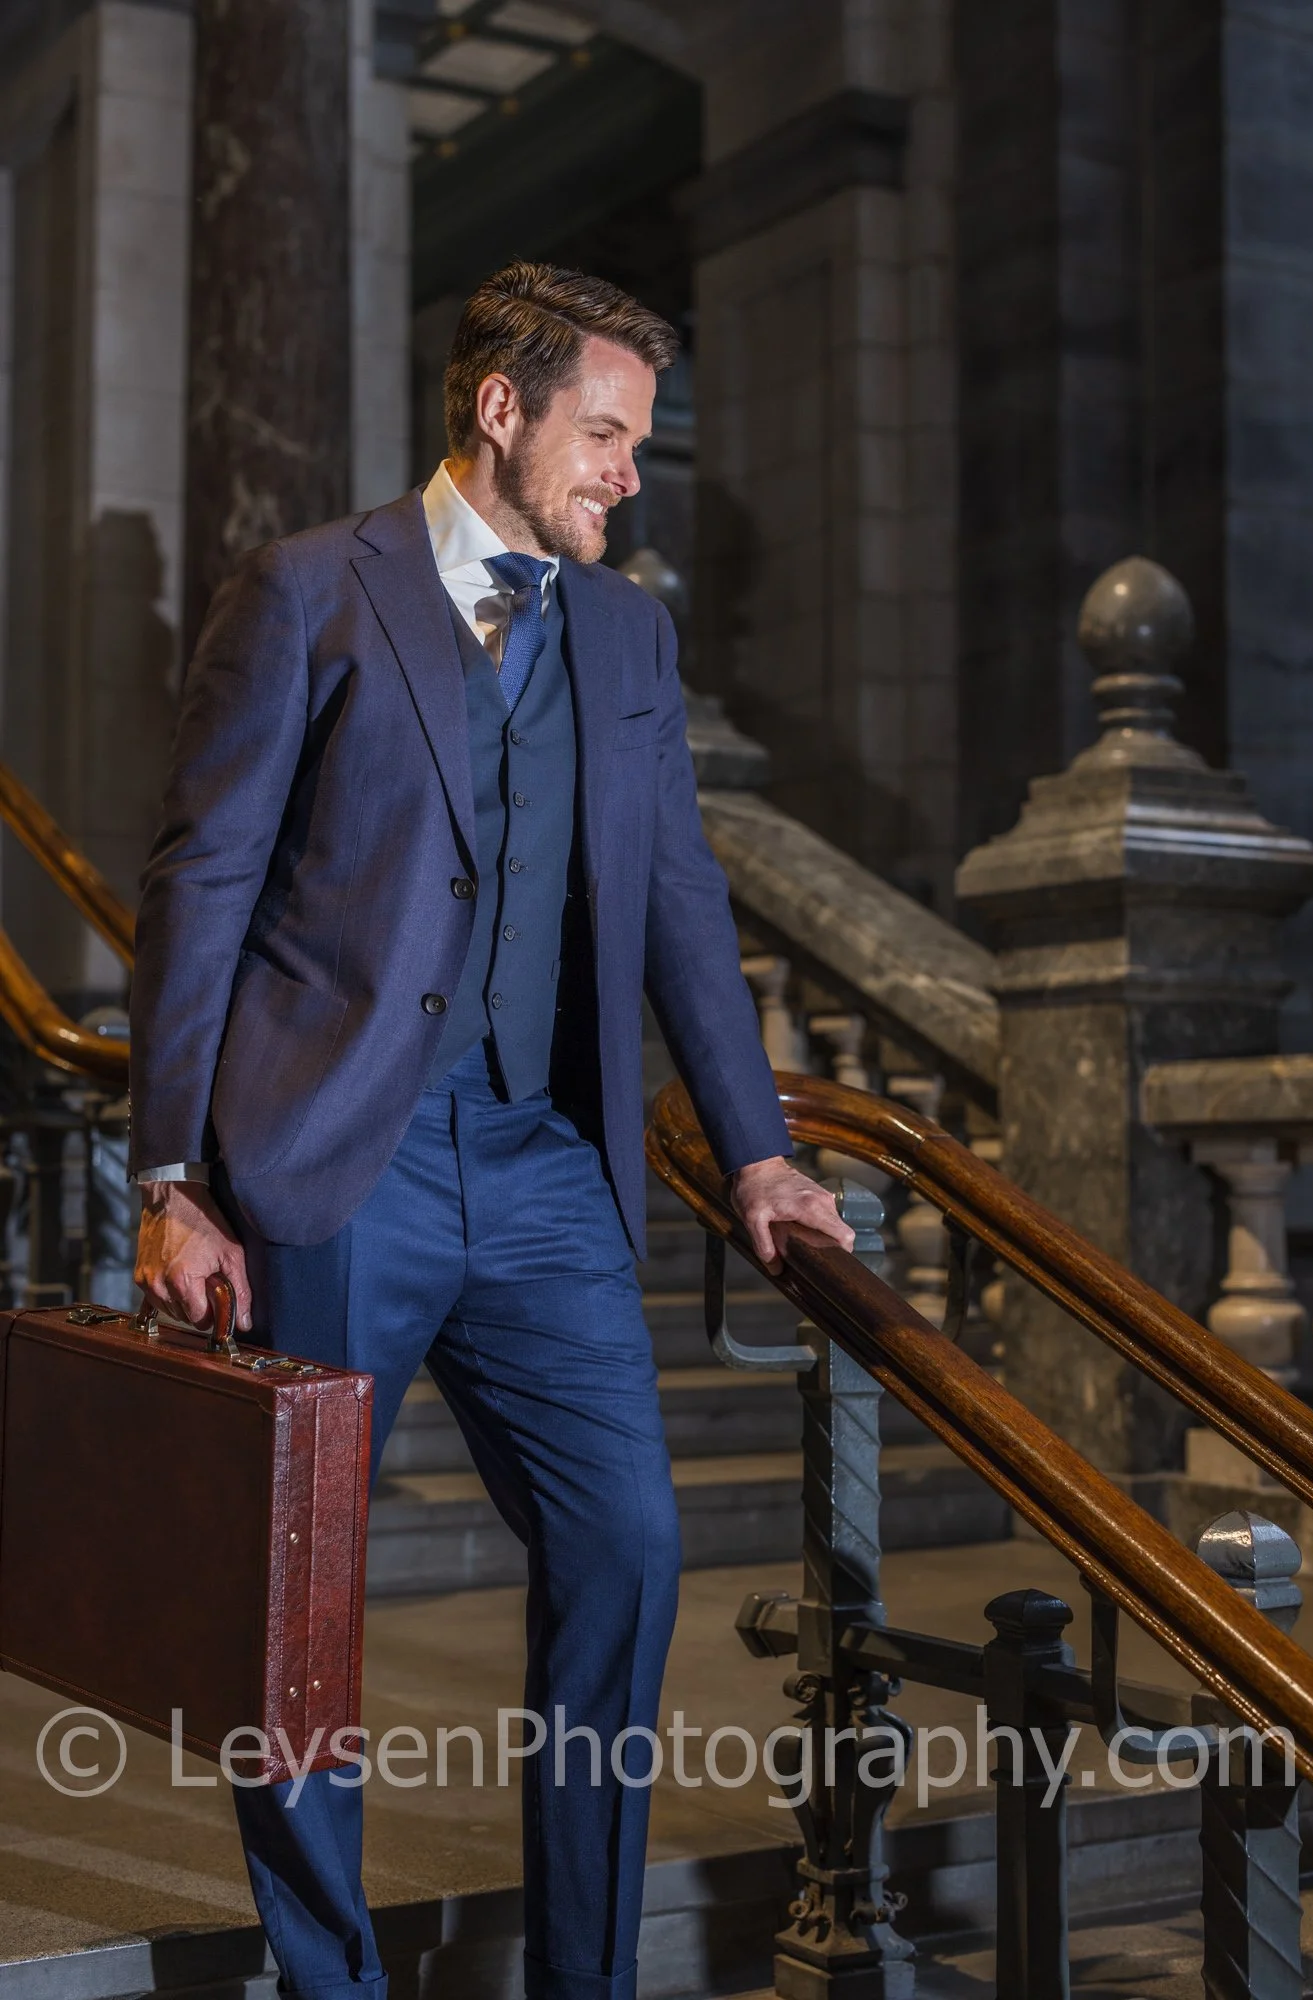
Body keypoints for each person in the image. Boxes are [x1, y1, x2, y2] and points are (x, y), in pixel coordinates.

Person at [131, 259, 854, 2000]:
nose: (627, 473)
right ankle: (332, 1980)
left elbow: (681, 894)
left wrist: (754, 1147)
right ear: (501, 410)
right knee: (300, 1613)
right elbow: (203, 884)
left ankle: (583, 1982)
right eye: (605, 434)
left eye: (638, 443)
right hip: (331, 1167)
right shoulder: (306, 592)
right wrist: (170, 1176)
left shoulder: (626, 633)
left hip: (542, 1169)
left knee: (627, 1548)